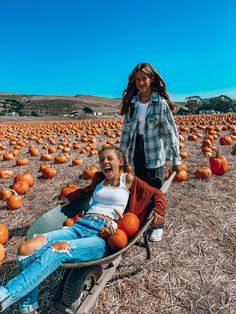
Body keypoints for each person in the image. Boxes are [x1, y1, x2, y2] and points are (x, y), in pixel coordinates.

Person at [0, 146, 165, 314]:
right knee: (25, 249)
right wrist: (71, 197)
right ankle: (28, 308)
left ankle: (3, 296)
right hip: (79, 226)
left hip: (102, 234)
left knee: (59, 249)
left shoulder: (128, 180)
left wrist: (159, 210)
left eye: (109, 158)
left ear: (120, 162)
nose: (104, 162)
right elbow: (84, 192)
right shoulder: (99, 181)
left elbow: (157, 194)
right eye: (102, 159)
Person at [120, 62, 182, 242]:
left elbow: (171, 131)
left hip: (154, 151)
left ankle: (157, 226)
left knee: (155, 190)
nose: (140, 82)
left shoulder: (160, 103)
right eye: (137, 79)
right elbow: (126, 131)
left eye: (144, 78)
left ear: (151, 79)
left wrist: (176, 158)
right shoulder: (132, 103)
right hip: (136, 151)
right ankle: (140, 222)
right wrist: (120, 154)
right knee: (139, 189)